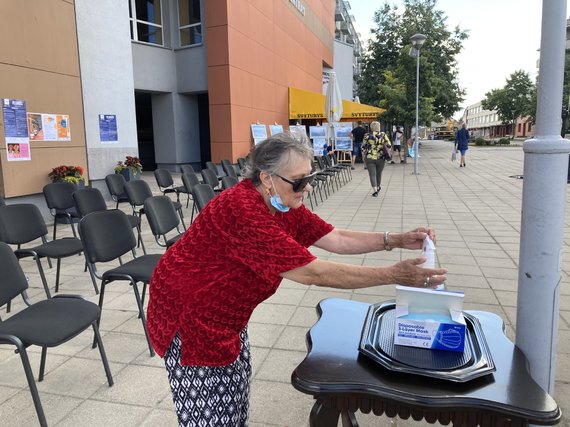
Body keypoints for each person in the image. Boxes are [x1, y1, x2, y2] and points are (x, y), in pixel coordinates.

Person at [146, 132, 447, 426]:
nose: (308, 188)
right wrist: (395, 275)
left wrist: (396, 239)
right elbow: (311, 271)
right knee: (210, 408)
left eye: (310, 178)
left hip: (226, 315)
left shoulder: (284, 203)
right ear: (267, 178)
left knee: (234, 393)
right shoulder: (242, 210)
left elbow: (337, 238)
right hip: (191, 317)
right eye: (300, 181)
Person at [362, 121, 391, 197]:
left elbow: (363, 147)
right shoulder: (383, 135)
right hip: (381, 158)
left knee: (372, 174)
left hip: (369, 158)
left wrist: (364, 155)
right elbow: (389, 145)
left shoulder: (367, 135)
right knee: (379, 173)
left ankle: (375, 191)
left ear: (371, 127)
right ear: (379, 127)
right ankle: (378, 187)